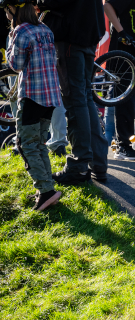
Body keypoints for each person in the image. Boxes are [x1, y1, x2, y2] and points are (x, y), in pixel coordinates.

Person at [5, 0, 62, 211]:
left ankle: (46, 191)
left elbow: (16, 65)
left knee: (26, 145)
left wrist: (10, 44)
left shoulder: (20, 31)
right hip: (50, 97)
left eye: (7, 10)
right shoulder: (45, 29)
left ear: (14, 9)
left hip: (32, 96)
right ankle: (47, 188)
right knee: (39, 143)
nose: (6, 14)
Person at [43, 0, 107, 185]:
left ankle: (79, 165)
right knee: (84, 98)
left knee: (75, 100)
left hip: (71, 33)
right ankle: (97, 163)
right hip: (88, 31)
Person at [104, 0, 135, 161]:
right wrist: (121, 31)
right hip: (123, 53)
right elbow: (107, 6)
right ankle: (123, 145)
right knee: (125, 101)